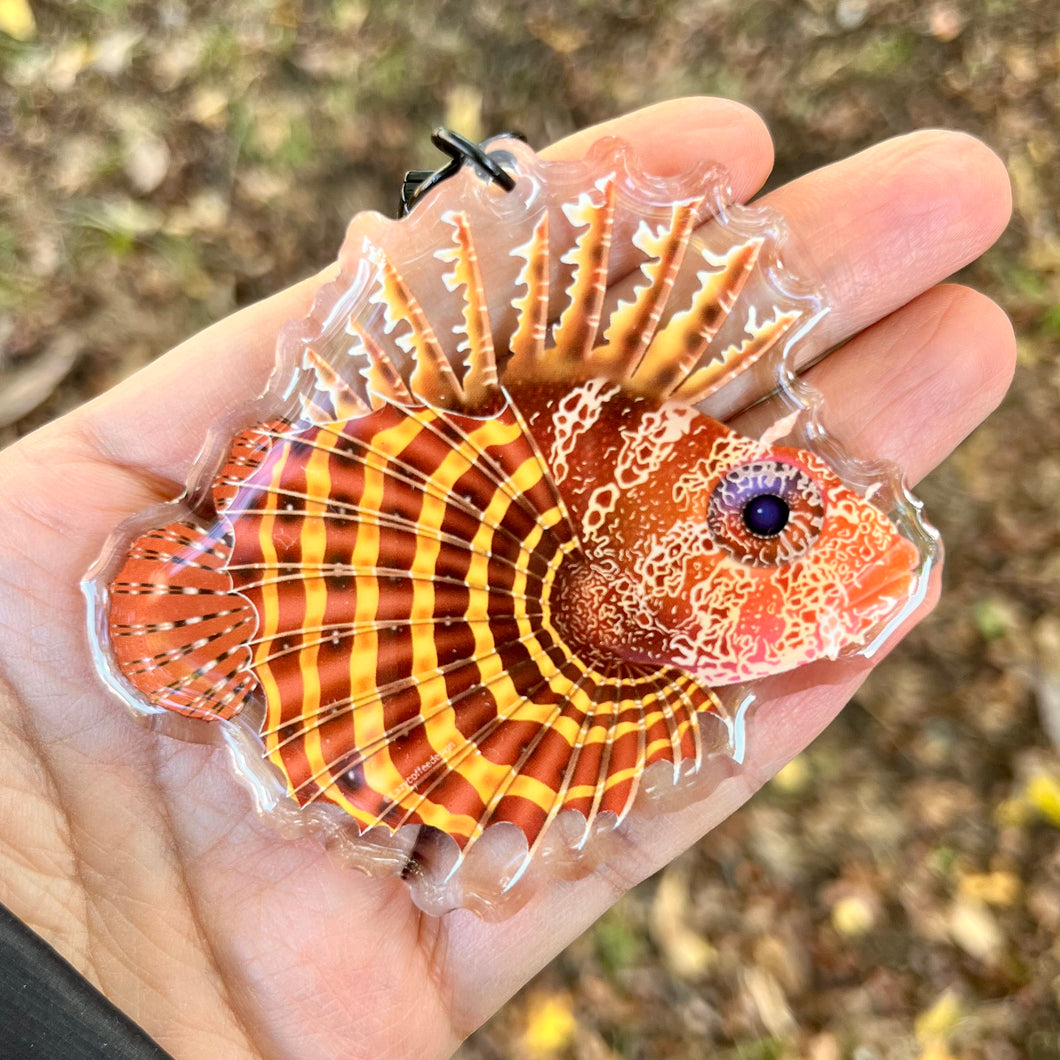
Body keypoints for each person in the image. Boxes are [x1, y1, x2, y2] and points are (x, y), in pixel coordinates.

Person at [0, 97, 1015, 1058]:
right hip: (379, 573)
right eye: (762, 516)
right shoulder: (562, 552)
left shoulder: (662, 618)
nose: (798, 541)